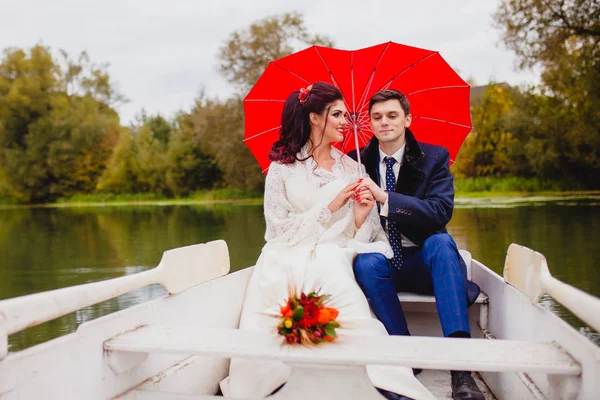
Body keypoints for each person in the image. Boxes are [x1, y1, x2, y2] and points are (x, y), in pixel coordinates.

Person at [220, 82, 435, 400]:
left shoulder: (354, 168)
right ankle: (278, 375)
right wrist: (329, 207)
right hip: (288, 252)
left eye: (346, 115)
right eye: (337, 114)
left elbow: (367, 235)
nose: (345, 122)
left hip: (335, 252)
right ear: (314, 118)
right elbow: (277, 231)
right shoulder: (281, 169)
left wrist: (360, 216)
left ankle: (376, 374)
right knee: (298, 267)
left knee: (331, 262)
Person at [350, 89, 485, 400]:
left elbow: (440, 211)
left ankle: (461, 371)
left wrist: (386, 197)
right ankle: (405, 351)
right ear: (370, 123)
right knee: (366, 262)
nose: (385, 122)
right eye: (377, 117)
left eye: (392, 115)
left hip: (425, 259)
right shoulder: (356, 163)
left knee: (440, 242)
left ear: (407, 119)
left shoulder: (434, 157)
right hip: (384, 261)